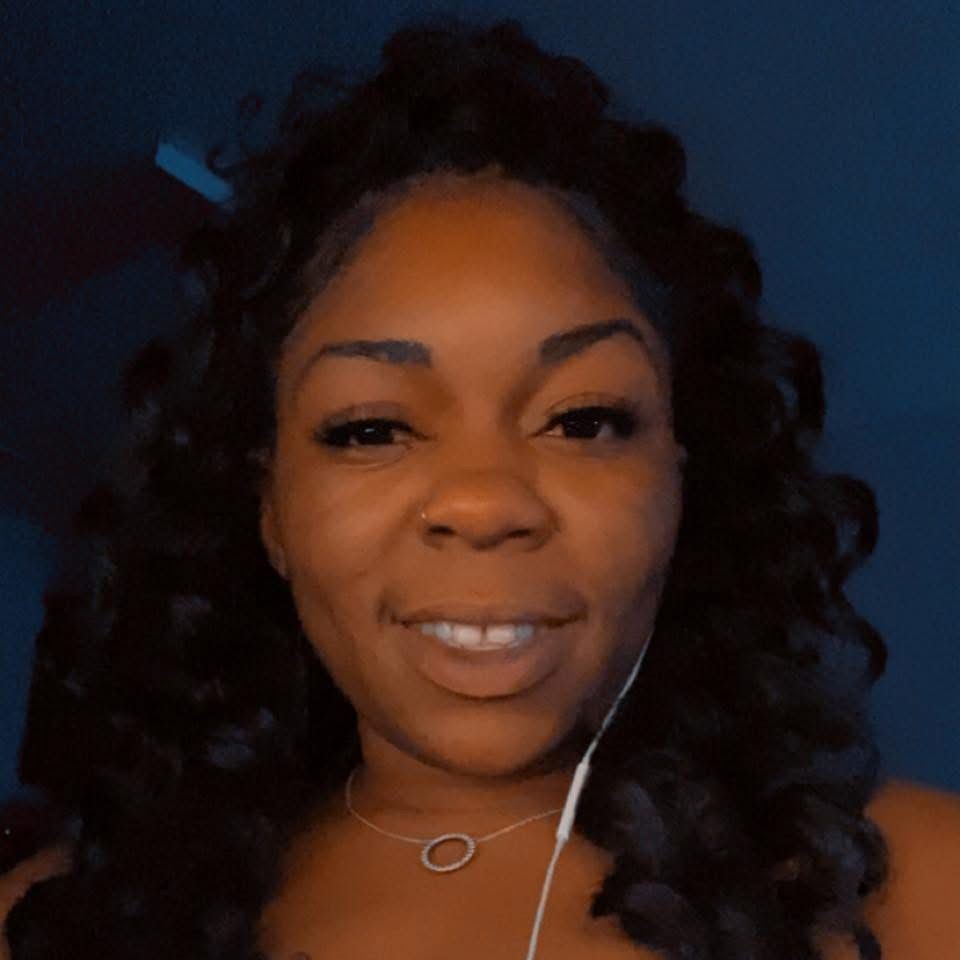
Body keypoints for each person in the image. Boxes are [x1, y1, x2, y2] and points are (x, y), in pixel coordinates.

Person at [2, 16, 959, 960]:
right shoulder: (58, 926)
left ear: (682, 475)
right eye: (371, 428)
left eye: (584, 420)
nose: (487, 502)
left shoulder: (913, 888)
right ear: (269, 509)